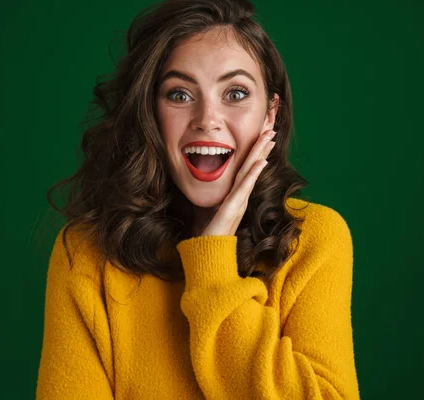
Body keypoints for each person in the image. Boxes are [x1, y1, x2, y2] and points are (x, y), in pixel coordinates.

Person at [35, 0, 361, 398]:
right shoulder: (87, 253)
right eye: (180, 95)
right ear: (150, 114)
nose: (207, 118)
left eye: (236, 93)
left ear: (269, 114)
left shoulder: (313, 240)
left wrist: (214, 263)